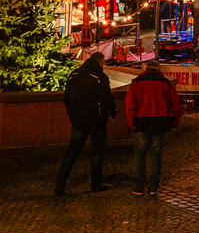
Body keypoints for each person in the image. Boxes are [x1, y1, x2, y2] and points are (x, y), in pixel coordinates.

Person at [55, 52, 117, 195]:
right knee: (97, 153)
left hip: (78, 120)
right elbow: (106, 97)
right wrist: (113, 111)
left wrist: (72, 114)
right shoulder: (100, 77)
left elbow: (67, 98)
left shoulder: (74, 75)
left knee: (72, 152)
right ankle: (96, 184)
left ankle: (60, 184)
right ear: (100, 62)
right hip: (96, 121)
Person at [124, 60, 184, 197]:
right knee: (155, 155)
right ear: (158, 69)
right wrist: (174, 123)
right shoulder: (166, 83)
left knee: (140, 155)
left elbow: (130, 104)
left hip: (141, 122)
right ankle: (153, 186)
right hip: (160, 122)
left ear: (146, 69)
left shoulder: (137, 82)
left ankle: (138, 186)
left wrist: (131, 123)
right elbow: (176, 105)